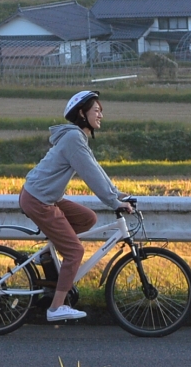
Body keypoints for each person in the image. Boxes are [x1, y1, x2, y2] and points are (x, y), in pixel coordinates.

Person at [20, 89, 135, 323]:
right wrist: (114, 202)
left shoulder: (76, 138)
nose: (101, 115)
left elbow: (94, 168)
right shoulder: (73, 138)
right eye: (96, 111)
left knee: (87, 219)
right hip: (39, 200)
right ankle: (56, 308)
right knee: (75, 251)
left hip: (44, 196)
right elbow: (90, 175)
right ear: (82, 114)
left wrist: (116, 194)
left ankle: (49, 259)